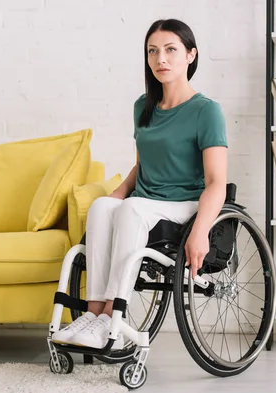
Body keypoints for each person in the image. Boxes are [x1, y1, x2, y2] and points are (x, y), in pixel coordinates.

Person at [52, 18, 228, 349]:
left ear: (191, 55)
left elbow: (217, 182)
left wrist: (201, 231)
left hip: (185, 204)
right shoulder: (142, 107)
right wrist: (114, 198)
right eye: (153, 52)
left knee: (131, 208)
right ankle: (93, 315)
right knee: (104, 205)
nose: (161, 59)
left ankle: (111, 318)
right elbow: (141, 165)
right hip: (145, 201)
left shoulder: (207, 112)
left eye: (171, 50)